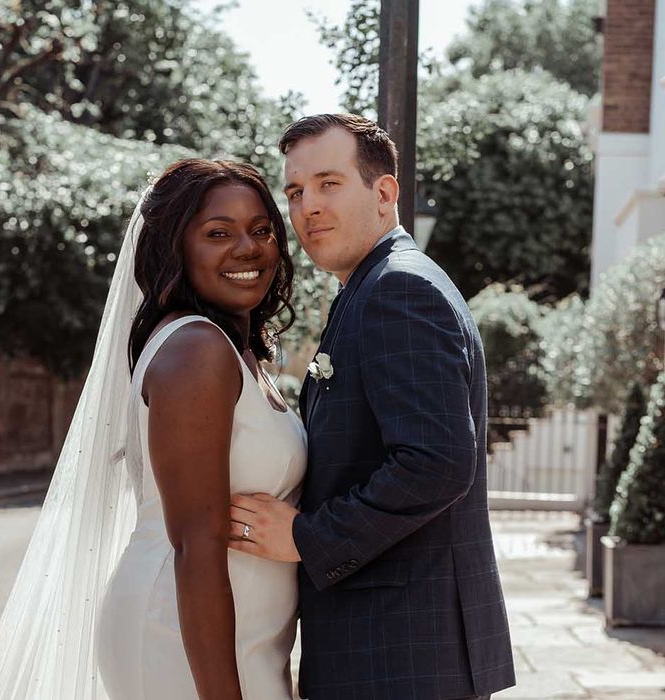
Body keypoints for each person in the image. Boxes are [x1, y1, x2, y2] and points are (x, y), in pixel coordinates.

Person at [0, 159, 306, 700]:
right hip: (179, 638)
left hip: (243, 637)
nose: (249, 248)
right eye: (218, 233)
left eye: (261, 229)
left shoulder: (238, 351)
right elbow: (196, 546)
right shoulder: (197, 350)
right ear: (174, 248)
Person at [229, 114, 516, 700]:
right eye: (295, 190)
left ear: (384, 193)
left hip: (401, 654)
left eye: (329, 183)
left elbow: (436, 462)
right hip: (397, 650)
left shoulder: (396, 290)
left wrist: (308, 538)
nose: (308, 206)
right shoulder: (372, 286)